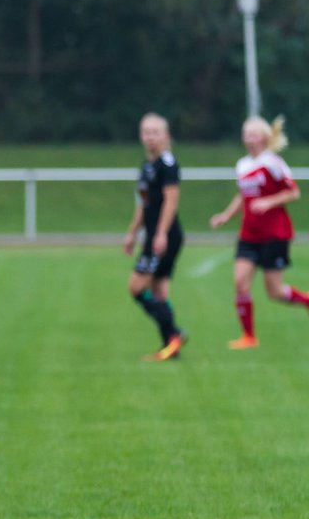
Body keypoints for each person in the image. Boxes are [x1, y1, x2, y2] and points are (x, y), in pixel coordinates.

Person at [209, 115, 304, 348]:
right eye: (246, 135)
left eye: (253, 134)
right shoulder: (242, 165)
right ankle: (249, 336)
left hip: (275, 233)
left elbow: (294, 193)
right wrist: (225, 216)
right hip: (249, 234)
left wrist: (268, 202)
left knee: (275, 292)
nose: (249, 139)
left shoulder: (273, 162)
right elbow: (243, 195)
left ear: (264, 137)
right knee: (240, 282)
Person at [122, 113, 187, 361]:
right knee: (159, 291)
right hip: (153, 235)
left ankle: (174, 333)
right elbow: (144, 204)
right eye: (146, 132)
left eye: (155, 132)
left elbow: (171, 200)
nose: (150, 136)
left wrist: (160, 234)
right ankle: (171, 345)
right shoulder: (147, 166)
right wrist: (131, 233)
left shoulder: (167, 164)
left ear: (166, 135)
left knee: (136, 287)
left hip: (166, 235)